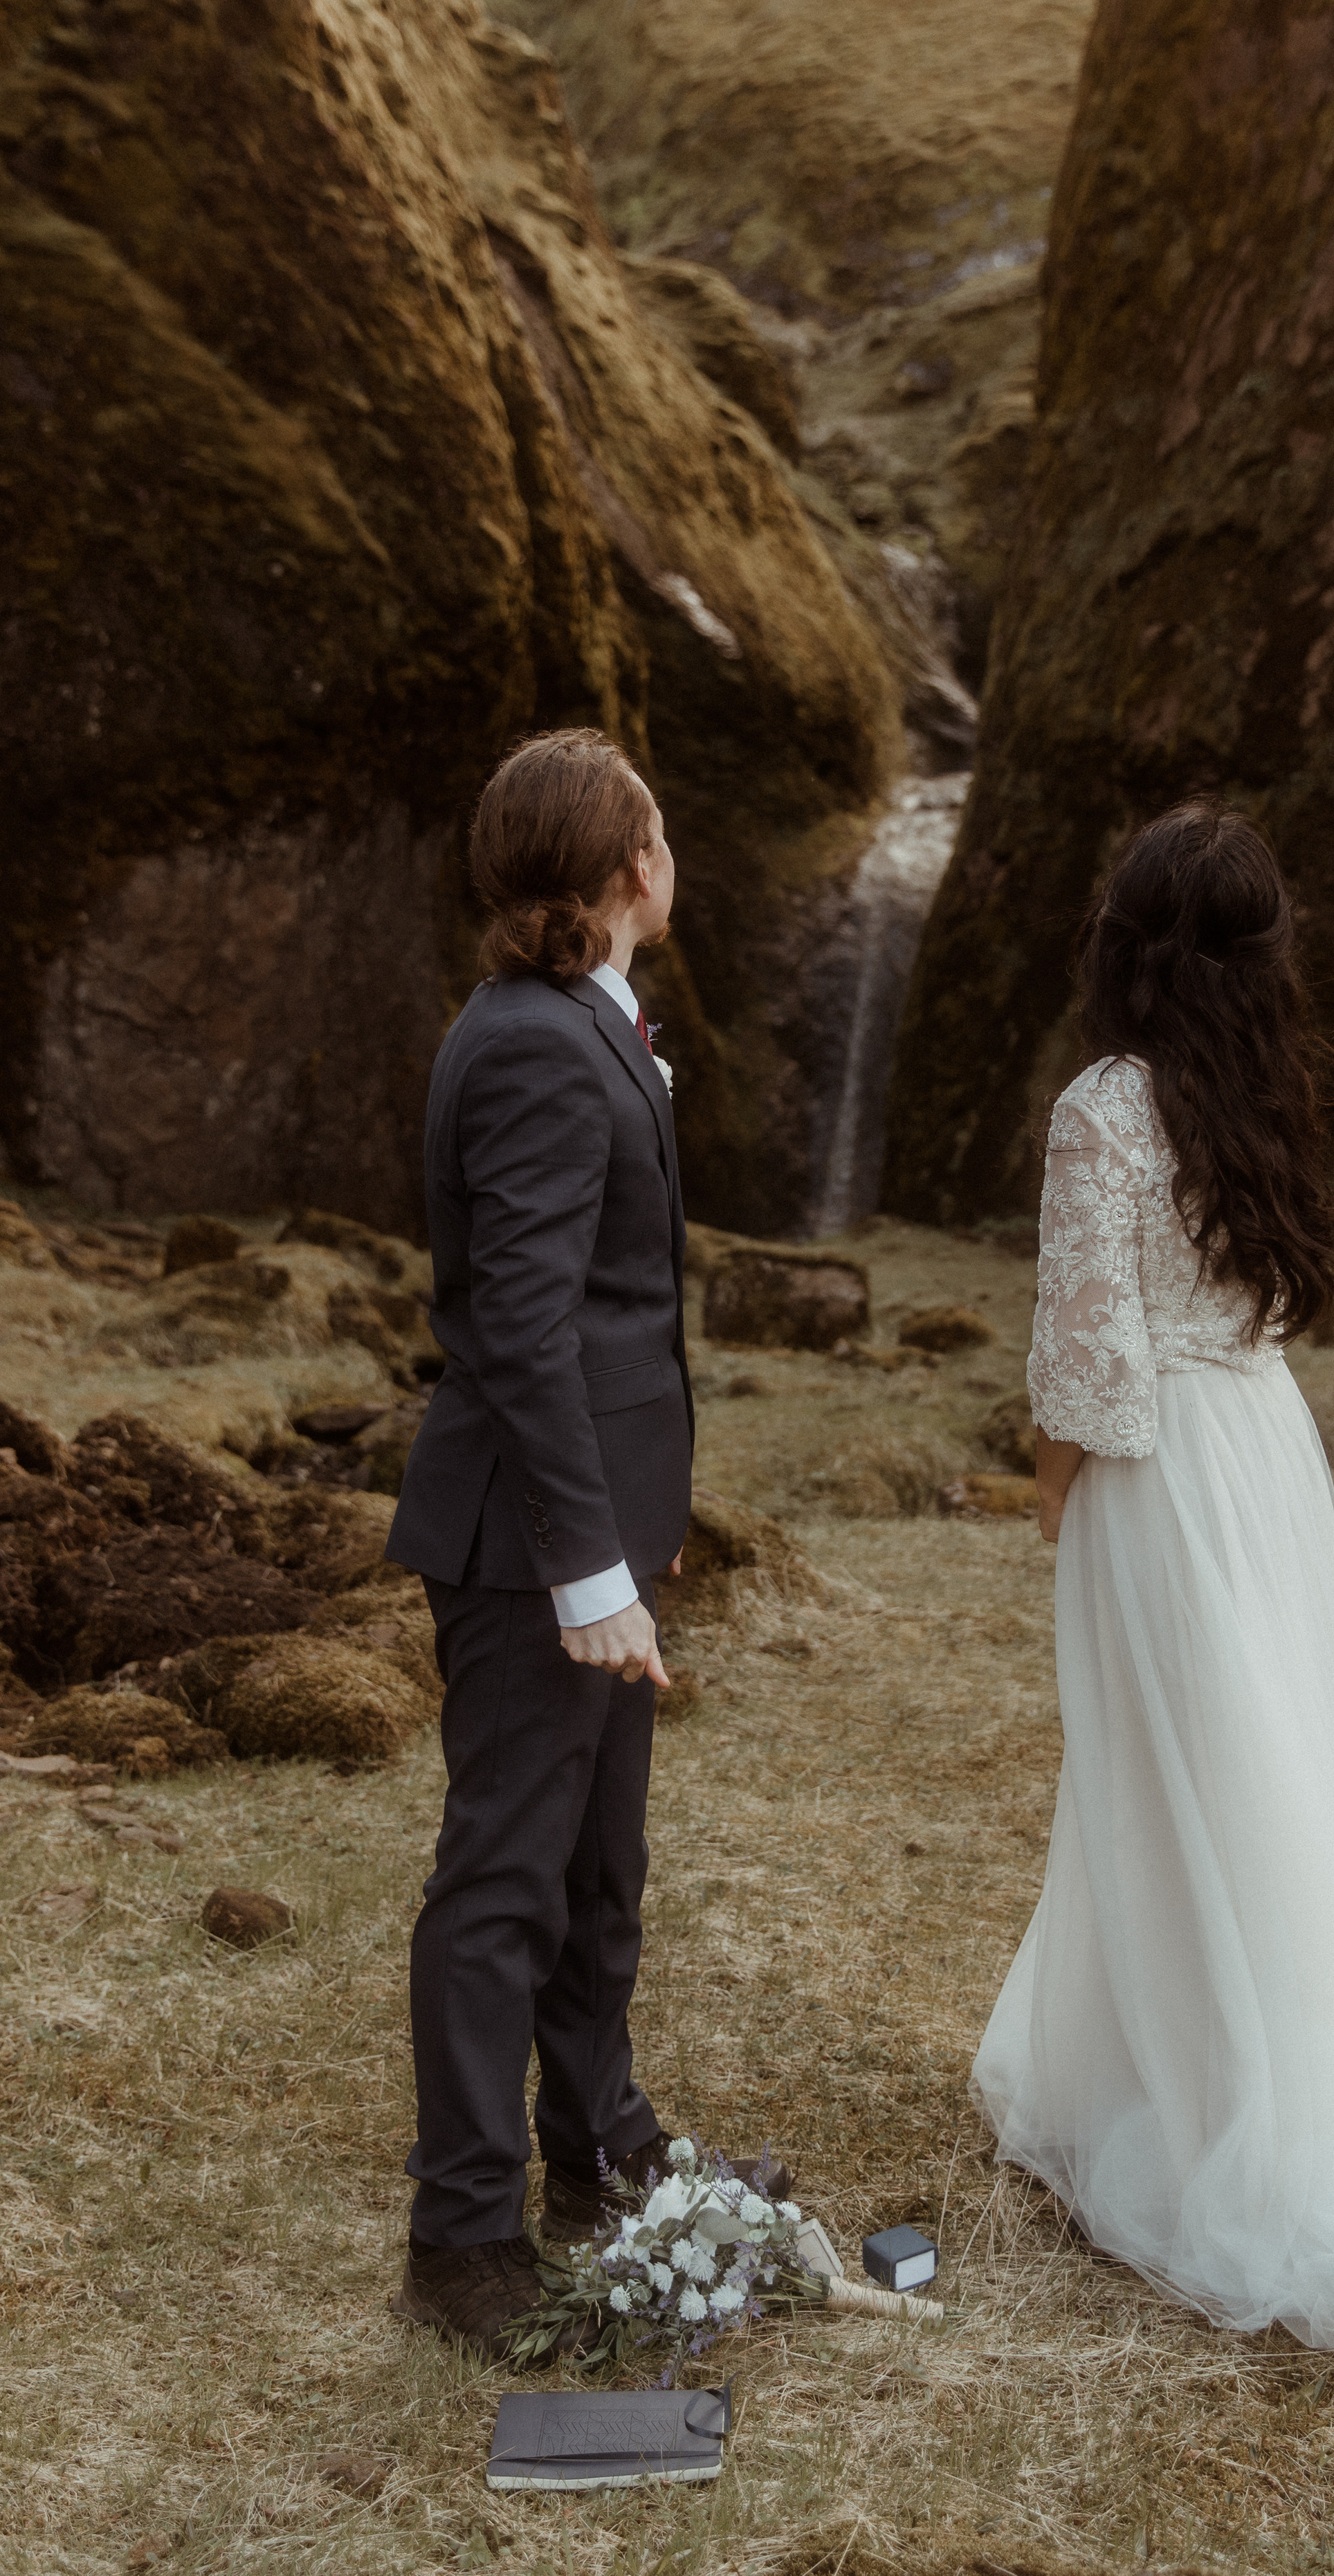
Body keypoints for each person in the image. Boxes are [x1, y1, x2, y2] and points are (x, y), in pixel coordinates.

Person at [972, 802, 1334, 2404]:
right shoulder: (1262, 1088)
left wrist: (1047, 1494)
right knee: (1259, 1765)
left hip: (1157, 1470)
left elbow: (1086, 1362)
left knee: (1165, 1774)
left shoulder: (1105, 1106)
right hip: (1258, 1444)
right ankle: (1197, 2070)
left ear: (1118, 940)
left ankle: (1219, 2109)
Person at [386, 727, 785, 2358]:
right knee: (502, 1879)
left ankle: (597, 2144)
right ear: (628, 871)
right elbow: (527, 1331)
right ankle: (463, 2230)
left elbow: (608, 1325)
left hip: (595, 1522)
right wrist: (589, 1568)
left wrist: (644, 1526)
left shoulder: (575, 1024)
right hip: (525, 1545)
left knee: (597, 1866)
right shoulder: (544, 1048)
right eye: (661, 834)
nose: (669, 853)